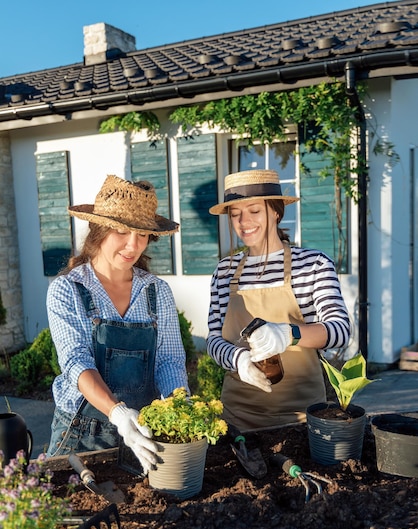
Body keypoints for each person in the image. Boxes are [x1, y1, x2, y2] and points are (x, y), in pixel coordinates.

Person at [46, 174, 189, 472]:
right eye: (122, 232)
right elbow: (76, 362)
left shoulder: (156, 290)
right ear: (99, 229)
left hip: (143, 433)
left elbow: (170, 361)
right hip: (81, 434)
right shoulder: (68, 289)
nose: (132, 245)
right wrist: (117, 412)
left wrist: (181, 409)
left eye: (142, 235)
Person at [207, 169, 351, 432]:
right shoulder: (224, 271)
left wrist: (289, 334)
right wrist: (238, 359)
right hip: (237, 417)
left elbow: (340, 331)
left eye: (253, 210)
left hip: (302, 418)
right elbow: (214, 340)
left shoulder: (312, 264)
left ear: (275, 211)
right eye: (236, 214)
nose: (243, 222)